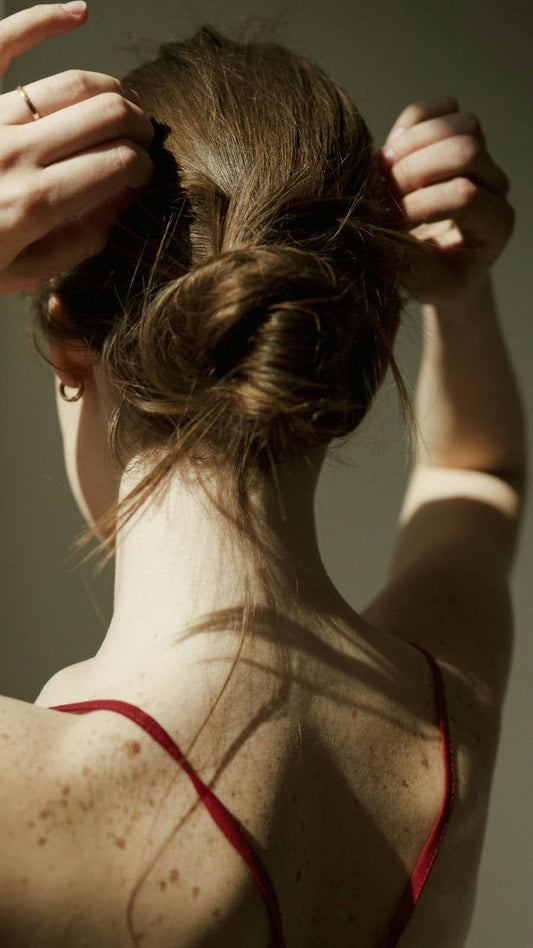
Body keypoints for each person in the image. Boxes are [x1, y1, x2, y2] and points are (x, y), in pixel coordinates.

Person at [0, 3, 525, 947]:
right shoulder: (452, 718)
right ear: (350, 347)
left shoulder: (25, 793)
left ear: (67, 341)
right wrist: (463, 293)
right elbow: (476, 473)